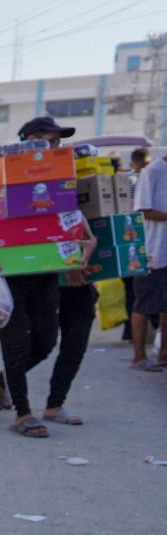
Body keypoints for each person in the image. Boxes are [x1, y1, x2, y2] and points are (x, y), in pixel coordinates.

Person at [0, 116, 97, 434]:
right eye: (47, 139)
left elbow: (70, 216)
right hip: (10, 270)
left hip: (45, 270)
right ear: (28, 140)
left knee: (44, 341)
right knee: (14, 343)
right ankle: (23, 414)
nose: (53, 146)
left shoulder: (60, 175)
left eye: (56, 141)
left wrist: (87, 245)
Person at [131, 147, 167, 371]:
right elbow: (143, 210)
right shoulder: (152, 172)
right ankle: (139, 356)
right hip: (153, 250)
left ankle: (164, 354)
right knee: (144, 304)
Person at [122, 147, 152, 330]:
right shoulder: (151, 180)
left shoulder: (127, 181)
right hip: (148, 243)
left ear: (132, 164)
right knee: (148, 291)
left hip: (129, 241)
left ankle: (130, 331)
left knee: (132, 292)